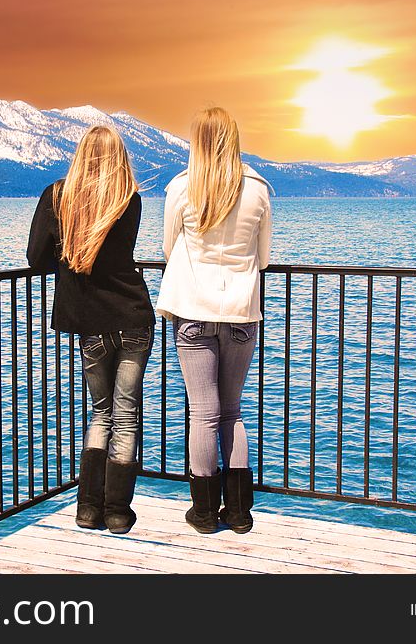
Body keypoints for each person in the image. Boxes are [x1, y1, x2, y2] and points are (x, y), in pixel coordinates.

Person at [27, 125, 155, 534]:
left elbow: (35, 259)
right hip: (132, 317)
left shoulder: (57, 195)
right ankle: (118, 512)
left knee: (101, 413)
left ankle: (87, 509)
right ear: (119, 157)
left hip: (90, 322)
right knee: (127, 414)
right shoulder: (128, 198)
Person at [156, 107, 273, 534]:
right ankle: (240, 513)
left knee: (203, 413)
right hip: (242, 310)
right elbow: (264, 258)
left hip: (193, 312)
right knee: (231, 412)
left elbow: (170, 249)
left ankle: (203, 513)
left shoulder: (182, 188)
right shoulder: (258, 190)